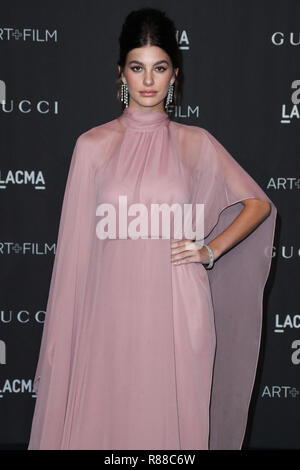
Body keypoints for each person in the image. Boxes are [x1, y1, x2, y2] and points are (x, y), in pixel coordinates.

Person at [27, 8, 277, 450]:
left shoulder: (195, 143)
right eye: (137, 68)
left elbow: (258, 204)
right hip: (109, 318)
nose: (148, 81)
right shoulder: (91, 146)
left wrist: (210, 250)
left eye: (159, 68)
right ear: (120, 73)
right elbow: (74, 255)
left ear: (174, 75)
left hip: (179, 313)